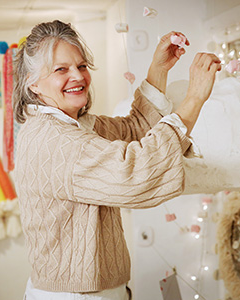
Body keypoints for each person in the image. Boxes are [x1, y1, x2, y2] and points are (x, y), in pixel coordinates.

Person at [13, 20, 221, 300]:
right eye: (61, 69)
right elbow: (134, 174)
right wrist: (194, 98)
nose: (78, 76)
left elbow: (135, 130)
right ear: (33, 83)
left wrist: (158, 69)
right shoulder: (53, 140)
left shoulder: (76, 126)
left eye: (82, 66)